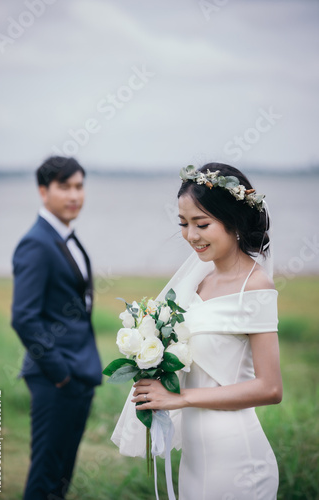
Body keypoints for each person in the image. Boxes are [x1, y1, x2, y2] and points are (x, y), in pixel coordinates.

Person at [112, 163, 283, 499]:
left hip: (236, 460)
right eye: (184, 224)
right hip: (195, 457)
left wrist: (181, 399)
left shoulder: (256, 286)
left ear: (233, 221)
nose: (191, 236)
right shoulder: (198, 283)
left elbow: (270, 388)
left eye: (201, 224)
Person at [11, 156, 102, 500]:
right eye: (64, 187)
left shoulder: (64, 237)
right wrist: (60, 373)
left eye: (79, 186)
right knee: (46, 476)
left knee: (61, 476)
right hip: (56, 377)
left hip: (78, 373)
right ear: (43, 191)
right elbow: (23, 316)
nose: (74, 195)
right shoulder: (37, 242)